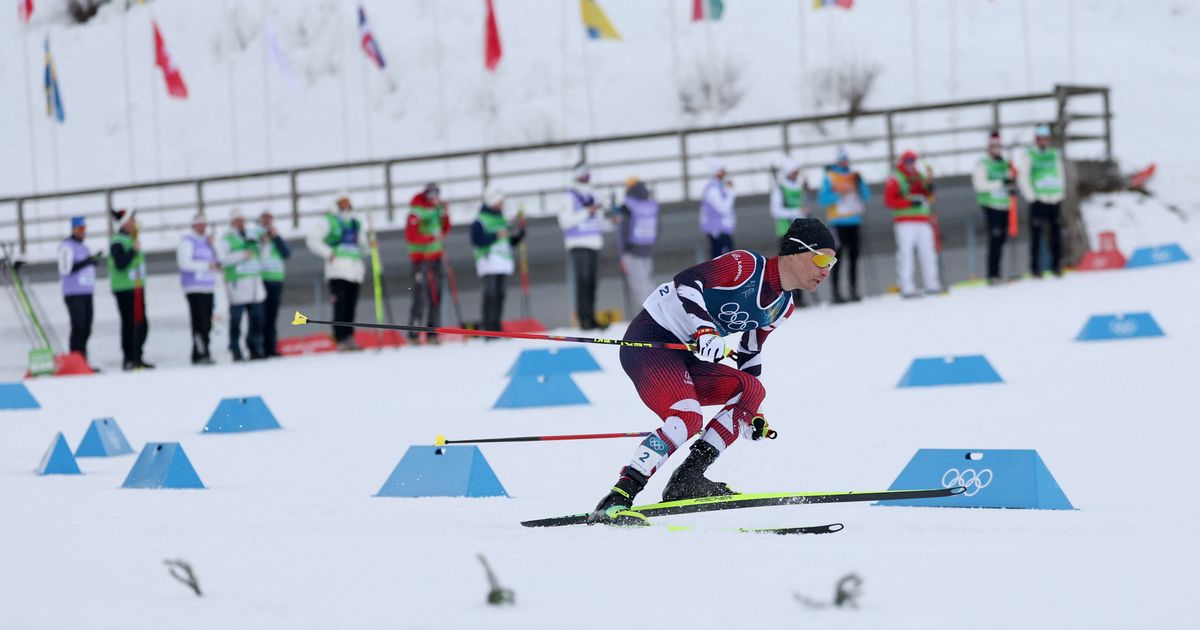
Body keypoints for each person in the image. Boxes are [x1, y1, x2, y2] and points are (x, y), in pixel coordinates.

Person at [588, 218, 838, 525]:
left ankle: (687, 480)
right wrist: (705, 330)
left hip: (688, 354)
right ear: (795, 253)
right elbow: (687, 281)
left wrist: (751, 414)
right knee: (687, 418)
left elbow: (749, 352)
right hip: (651, 340)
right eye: (822, 259)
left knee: (752, 390)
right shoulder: (745, 266)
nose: (826, 270)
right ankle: (617, 497)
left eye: (833, 261)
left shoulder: (782, 307)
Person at [306, 193, 368, 350]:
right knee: (340, 306)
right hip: (337, 271)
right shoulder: (329, 221)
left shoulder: (355, 222)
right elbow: (312, 239)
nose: (345, 205)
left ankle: (349, 337)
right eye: (342, 202)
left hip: (355, 272)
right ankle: (340, 338)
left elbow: (363, 247)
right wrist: (328, 253)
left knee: (351, 307)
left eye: (348, 202)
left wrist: (369, 244)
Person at [883, 150, 942, 297]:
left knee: (928, 253)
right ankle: (906, 286)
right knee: (906, 254)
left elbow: (927, 194)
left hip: (923, 220)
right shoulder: (895, 179)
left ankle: (932, 283)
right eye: (908, 162)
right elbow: (889, 201)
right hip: (904, 223)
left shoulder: (920, 176)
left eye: (912, 161)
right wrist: (909, 202)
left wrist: (929, 186)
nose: (910, 165)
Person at [559, 161, 607, 330]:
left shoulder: (595, 194)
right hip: (578, 243)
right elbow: (565, 222)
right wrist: (588, 211)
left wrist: (610, 219)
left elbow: (600, 221)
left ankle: (591, 316)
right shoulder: (569, 196)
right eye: (584, 175)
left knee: (592, 283)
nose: (587, 178)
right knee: (583, 281)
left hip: (595, 242)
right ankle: (583, 319)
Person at [470, 185, 525, 332]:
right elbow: (477, 240)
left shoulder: (501, 218)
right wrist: (495, 236)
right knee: (490, 295)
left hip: (502, 263)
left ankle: (497, 327)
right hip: (488, 263)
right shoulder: (480, 220)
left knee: (500, 295)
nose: (502, 204)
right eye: (499, 201)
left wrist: (518, 236)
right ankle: (489, 328)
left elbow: (507, 241)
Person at [820, 147, 871, 302]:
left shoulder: (853, 175)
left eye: (846, 160)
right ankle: (836, 291)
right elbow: (823, 200)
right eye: (842, 160)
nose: (844, 163)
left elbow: (866, 196)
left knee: (854, 256)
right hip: (837, 222)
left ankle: (853, 289)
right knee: (837, 257)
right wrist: (838, 194)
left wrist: (860, 183)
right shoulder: (830, 177)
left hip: (854, 221)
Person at [1018, 124, 1066, 277]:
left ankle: (1056, 265)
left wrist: (1060, 193)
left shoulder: (1054, 154)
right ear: (1036, 139)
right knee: (1036, 234)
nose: (1044, 141)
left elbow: (1060, 174)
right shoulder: (1030, 155)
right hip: (1038, 200)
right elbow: (1023, 177)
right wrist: (1032, 197)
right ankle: (1035, 267)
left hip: (1054, 199)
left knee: (1056, 234)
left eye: (1046, 138)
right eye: (1041, 139)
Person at [218, 209, 266, 361]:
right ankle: (235, 349)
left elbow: (261, 256)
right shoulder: (226, 238)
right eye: (238, 221)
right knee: (236, 320)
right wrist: (241, 255)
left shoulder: (251, 236)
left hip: (254, 284)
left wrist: (263, 244)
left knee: (256, 319)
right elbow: (222, 259)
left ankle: (254, 347)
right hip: (237, 285)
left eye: (243, 221)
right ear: (232, 222)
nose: (241, 224)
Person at [108, 208, 153, 370]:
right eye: (132, 221)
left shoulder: (131, 239)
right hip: (125, 288)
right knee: (129, 324)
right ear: (125, 223)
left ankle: (137, 356)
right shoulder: (118, 242)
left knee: (141, 323)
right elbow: (120, 264)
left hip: (137, 287)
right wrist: (133, 251)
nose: (135, 223)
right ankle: (129, 358)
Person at [405, 182, 451, 340]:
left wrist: (445, 213)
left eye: (437, 194)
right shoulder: (416, 211)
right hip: (421, 259)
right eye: (432, 195)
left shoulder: (438, 209)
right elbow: (411, 236)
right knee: (420, 296)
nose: (435, 198)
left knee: (436, 295)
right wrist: (430, 238)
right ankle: (414, 333)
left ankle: (433, 331)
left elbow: (445, 229)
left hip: (436, 257)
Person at [972, 132, 1016, 285]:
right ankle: (993, 274)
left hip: (1004, 205)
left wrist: (1011, 184)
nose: (997, 149)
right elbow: (980, 185)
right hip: (991, 205)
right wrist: (1000, 183)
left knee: (1003, 238)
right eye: (994, 146)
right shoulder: (983, 164)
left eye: (999, 146)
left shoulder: (1004, 163)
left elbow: (1009, 180)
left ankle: (1000, 272)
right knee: (995, 239)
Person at [176, 213, 219, 365]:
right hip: (194, 287)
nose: (203, 228)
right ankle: (201, 353)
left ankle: (203, 351)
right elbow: (184, 263)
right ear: (194, 225)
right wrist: (206, 266)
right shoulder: (187, 241)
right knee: (199, 323)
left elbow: (218, 261)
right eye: (199, 225)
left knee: (207, 323)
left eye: (204, 225)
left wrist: (213, 245)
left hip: (208, 287)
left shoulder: (207, 242)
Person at [57, 216, 101, 364]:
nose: (82, 232)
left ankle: (82, 357)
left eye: (84, 228)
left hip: (87, 292)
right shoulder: (67, 246)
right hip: (74, 293)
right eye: (79, 229)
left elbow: (84, 266)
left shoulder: (84, 247)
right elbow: (65, 269)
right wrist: (87, 262)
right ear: (73, 229)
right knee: (78, 326)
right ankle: (75, 358)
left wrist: (92, 262)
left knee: (87, 327)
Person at [616, 177, 659, 305]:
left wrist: (624, 250)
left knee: (639, 284)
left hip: (632, 249)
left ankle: (653, 313)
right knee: (647, 280)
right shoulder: (650, 204)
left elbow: (624, 228)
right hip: (647, 247)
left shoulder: (628, 204)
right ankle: (658, 308)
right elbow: (658, 227)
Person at [257, 210, 291, 357]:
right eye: (265, 218)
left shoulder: (276, 236)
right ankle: (260, 347)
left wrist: (275, 237)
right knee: (260, 316)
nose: (267, 221)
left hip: (276, 280)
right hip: (262, 280)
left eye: (269, 218)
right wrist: (262, 241)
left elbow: (286, 253)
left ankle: (271, 347)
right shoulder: (256, 235)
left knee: (272, 315)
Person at [699, 159, 737, 259]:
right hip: (717, 231)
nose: (725, 173)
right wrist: (730, 192)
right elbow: (724, 209)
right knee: (722, 261)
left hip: (722, 230)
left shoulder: (719, 187)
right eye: (722, 170)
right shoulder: (712, 190)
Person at [769, 158, 807, 238]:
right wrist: (797, 211)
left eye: (797, 172)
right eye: (794, 172)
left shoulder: (799, 187)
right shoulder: (779, 189)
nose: (797, 175)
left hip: (801, 231)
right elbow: (775, 212)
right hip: (786, 232)